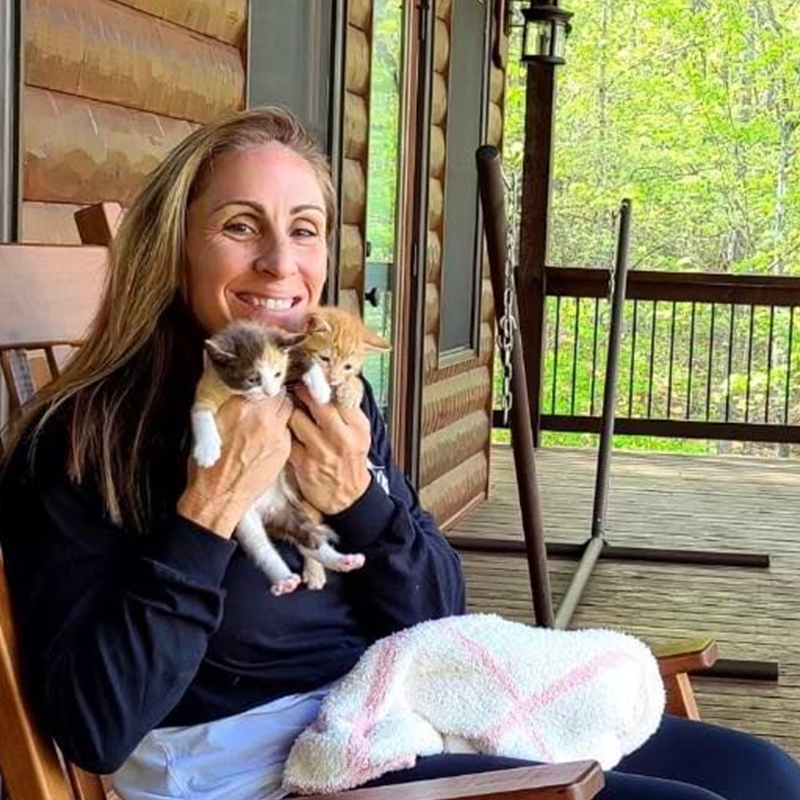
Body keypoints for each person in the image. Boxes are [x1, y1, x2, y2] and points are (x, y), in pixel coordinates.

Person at [0, 107, 797, 800]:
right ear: (175, 250)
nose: (281, 263)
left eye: (304, 229)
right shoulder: (83, 439)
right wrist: (207, 511)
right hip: (259, 772)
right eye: (241, 226)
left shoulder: (330, 403)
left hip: (398, 711)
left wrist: (360, 499)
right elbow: (94, 728)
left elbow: (437, 618)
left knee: (762, 777)